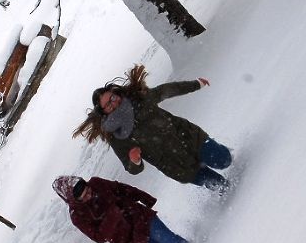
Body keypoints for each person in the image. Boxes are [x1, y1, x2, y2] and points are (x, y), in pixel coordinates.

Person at [73, 64, 232, 192]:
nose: (113, 103)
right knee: (222, 187)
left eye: (112, 98)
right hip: (177, 165)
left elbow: (166, 90)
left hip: (189, 138)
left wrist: (196, 84)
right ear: (103, 112)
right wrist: (135, 161)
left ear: (116, 93)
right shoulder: (117, 136)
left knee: (224, 160)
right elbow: (131, 168)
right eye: (107, 104)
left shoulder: (139, 99)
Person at [52, 176, 191, 243]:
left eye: (87, 189)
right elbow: (98, 237)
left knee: (171, 241)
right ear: (73, 199)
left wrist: (144, 197)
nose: (90, 193)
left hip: (140, 218)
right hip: (128, 241)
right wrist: (112, 216)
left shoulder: (96, 183)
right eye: (84, 196)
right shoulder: (77, 216)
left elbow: (121, 189)